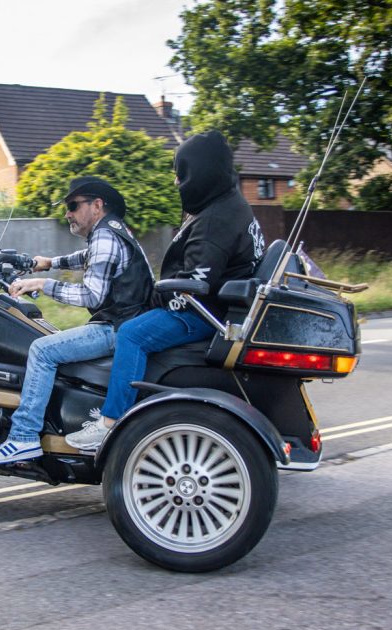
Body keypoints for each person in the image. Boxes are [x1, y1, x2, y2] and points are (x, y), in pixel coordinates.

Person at [65, 131, 265, 450]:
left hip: (201, 311)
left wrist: (153, 297)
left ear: (199, 171)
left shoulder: (215, 220)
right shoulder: (230, 202)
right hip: (219, 303)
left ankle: (109, 422)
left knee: (131, 333)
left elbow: (197, 281)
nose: (176, 182)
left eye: (180, 173)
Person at [0, 176, 154, 465]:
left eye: (73, 205)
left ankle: (23, 437)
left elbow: (91, 297)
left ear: (96, 205)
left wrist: (42, 284)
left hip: (116, 327)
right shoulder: (111, 231)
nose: (67, 213)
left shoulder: (105, 237)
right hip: (123, 320)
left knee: (41, 349)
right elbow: (86, 257)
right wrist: (49, 262)